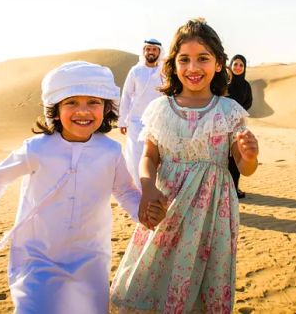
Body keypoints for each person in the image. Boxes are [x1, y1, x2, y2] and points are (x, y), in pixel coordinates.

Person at [0, 61, 166, 314]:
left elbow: (125, 191)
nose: (83, 111)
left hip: (91, 259)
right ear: (55, 108)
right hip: (37, 257)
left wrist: (145, 215)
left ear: (107, 108)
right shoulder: (36, 149)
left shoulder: (111, 151)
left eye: (93, 102)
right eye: (71, 102)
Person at [110, 18, 260, 313]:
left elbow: (244, 168)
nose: (193, 68)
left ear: (219, 64)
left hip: (212, 213)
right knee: (154, 270)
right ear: (173, 64)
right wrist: (147, 187)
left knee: (203, 281)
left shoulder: (229, 111)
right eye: (185, 59)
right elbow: (150, 156)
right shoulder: (160, 109)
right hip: (168, 205)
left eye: (203, 58)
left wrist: (250, 155)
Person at [119, 38, 164, 188]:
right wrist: (122, 121)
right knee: (138, 158)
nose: (151, 52)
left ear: (159, 52)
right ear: (144, 51)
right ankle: (141, 190)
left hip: (158, 122)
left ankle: (157, 190)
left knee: (158, 158)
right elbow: (126, 95)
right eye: (148, 49)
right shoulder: (135, 71)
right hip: (136, 122)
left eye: (154, 49)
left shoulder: (164, 72)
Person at [227, 54, 253, 199]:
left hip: (239, 125)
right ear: (230, 65)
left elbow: (249, 102)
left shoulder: (246, 86)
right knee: (223, 157)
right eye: (235, 64)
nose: (237, 67)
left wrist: (238, 112)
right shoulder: (225, 83)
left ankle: (234, 189)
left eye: (241, 65)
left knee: (236, 158)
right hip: (223, 125)